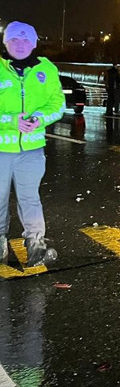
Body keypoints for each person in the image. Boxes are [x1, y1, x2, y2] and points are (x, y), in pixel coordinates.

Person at [0, 21, 64, 266]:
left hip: (32, 149)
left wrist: (38, 120)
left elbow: (57, 104)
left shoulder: (46, 69)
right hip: (1, 149)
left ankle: (35, 243)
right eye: (15, 39)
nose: (20, 45)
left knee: (30, 197)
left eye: (26, 40)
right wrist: (9, 121)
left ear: (35, 43)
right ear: (6, 42)